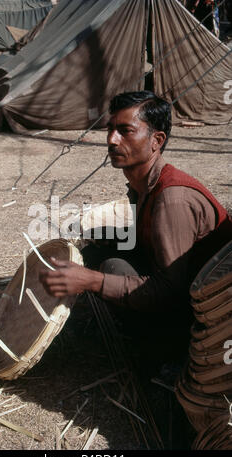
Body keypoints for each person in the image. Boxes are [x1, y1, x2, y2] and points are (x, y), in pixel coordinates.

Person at [39, 91, 232, 354]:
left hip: (200, 324)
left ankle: (156, 352)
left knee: (111, 267)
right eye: (110, 129)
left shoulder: (171, 199)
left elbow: (169, 291)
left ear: (157, 140)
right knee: (96, 250)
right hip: (181, 288)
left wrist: (93, 281)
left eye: (125, 131)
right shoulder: (145, 185)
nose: (111, 140)